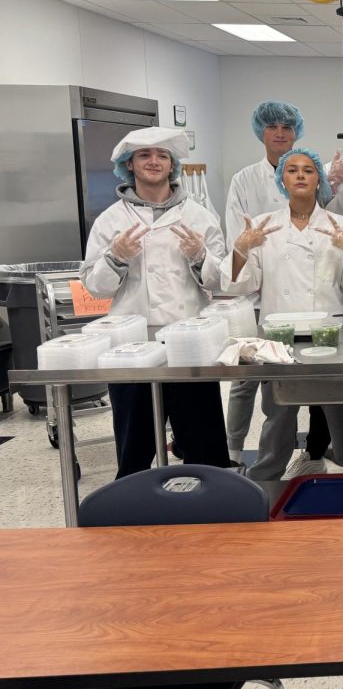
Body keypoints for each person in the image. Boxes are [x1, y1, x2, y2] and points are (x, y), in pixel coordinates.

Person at [220, 147, 343, 483]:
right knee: (277, 413)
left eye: (308, 169)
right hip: (280, 336)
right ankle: (266, 480)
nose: (301, 175)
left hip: (330, 333)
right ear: (282, 180)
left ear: (319, 177)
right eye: (292, 170)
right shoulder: (262, 227)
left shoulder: (342, 224)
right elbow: (241, 285)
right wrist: (241, 249)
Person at [81, 127, 230, 478]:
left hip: (189, 343)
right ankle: (136, 513)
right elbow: (94, 286)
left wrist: (199, 256)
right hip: (132, 346)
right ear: (128, 164)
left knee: (203, 443)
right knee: (134, 446)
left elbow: (220, 280)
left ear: (173, 165)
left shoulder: (200, 217)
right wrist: (115, 258)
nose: (154, 161)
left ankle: (215, 511)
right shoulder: (111, 220)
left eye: (162, 155)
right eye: (144, 155)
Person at [222, 100, 332, 477]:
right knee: (268, 397)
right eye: (273, 127)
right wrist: (242, 249)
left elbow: (342, 269)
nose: (280, 133)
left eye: (287, 127)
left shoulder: (332, 217)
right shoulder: (245, 181)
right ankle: (246, 459)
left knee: (334, 403)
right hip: (268, 305)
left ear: (319, 179)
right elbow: (240, 249)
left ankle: (329, 459)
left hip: (323, 319)